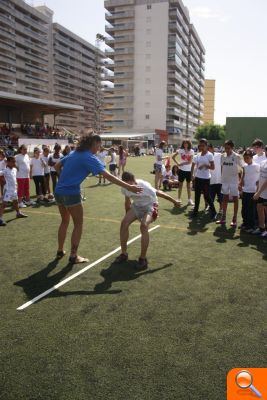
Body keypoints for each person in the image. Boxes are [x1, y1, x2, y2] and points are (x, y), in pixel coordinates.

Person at [54, 133, 143, 265]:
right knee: (78, 224)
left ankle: (60, 250)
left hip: (58, 191)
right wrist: (129, 186)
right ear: (94, 144)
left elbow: (56, 167)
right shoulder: (89, 157)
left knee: (65, 221)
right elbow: (109, 177)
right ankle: (74, 256)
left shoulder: (74, 153)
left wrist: (64, 179)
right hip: (71, 193)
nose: (99, 148)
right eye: (99, 145)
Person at [115, 171, 180, 270]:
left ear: (133, 180)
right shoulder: (124, 187)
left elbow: (159, 193)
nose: (129, 186)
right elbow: (127, 202)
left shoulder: (144, 186)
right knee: (124, 224)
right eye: (126, 184)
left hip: (150, 206)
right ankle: (124, 254)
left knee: (144, 226)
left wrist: (174, 201)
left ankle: (143, 259)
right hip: (137, 206)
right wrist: (128, 217)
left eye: (130, 184)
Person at [216, 140, 243, 227]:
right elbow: (222, 168)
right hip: (225, 181)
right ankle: (223, 218)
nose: (226, 150)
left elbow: (243, 168)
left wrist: (241, 181)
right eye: (225, 148)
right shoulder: (222, 156)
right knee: (224, 198)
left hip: (234, 181)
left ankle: (234, 218)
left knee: (235, 198)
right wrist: (222, 178)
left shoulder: (237, 156)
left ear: (232, 148)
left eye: (228, 148)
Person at [190, 139, 216, 219]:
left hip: (206, 179)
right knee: (197, 196)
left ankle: (214, 211)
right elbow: (193, 166)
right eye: (200, 145)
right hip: (198, 178)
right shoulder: (197, 155)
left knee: (207, 196)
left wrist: (205, 165)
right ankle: (195, 212)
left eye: (203, 145)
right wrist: (192, 175)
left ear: (206, 146)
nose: (201, 147)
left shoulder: (209, 155)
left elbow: (213, 167)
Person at [0, 156, 28, 226]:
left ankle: (18, 213)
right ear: (8, 162)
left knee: (15, 202)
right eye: (13, 161)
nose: (14, 163)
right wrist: (2, 180)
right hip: (8, 190)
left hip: (14, 189)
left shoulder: (14, 169)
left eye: (14, 161)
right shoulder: (5, 170)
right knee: (4, 204)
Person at [239, 150, 260, 233]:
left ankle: (252, 226)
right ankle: (245, 223)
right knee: (244, 208)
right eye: (244, 158)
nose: (246, 159)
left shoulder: (257, 166)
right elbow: (243, 175)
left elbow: (261, 176)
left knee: (252, 210)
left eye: (247, 158)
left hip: (253, 191)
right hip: (245, 190)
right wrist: (240, 183)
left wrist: (258, 183)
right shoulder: (244, 166)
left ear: (251, 157)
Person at [172, 140, 194, 206]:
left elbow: (190, 162)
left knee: (188, 186)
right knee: (180, 185)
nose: (185, 144)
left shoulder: (191, 151)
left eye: (187, 143)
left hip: (189, 171)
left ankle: (189, 200)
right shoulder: (180, 150)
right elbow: (173, 157)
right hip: (181, 170)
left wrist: (181, 163)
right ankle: (178, 199)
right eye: (184, 143)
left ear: (189, 144)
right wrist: (177, 163)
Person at [252, 158, 267, 237]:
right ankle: (262, 228)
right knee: (259, 210)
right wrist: (257, 191)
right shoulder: (263, 162)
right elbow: (260, 178)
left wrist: (259, 192)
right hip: (260, 193)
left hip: (265, 194)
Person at [208, 143, 223, 215]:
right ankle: (211, 208)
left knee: (220, 196)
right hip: (210, 180)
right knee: (211, 196)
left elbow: (223, 165)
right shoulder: (206, 156)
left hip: (219, 180)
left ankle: (221, 209)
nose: (208, 150)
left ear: (212, 148)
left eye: (209, 148)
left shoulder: (219, 155)